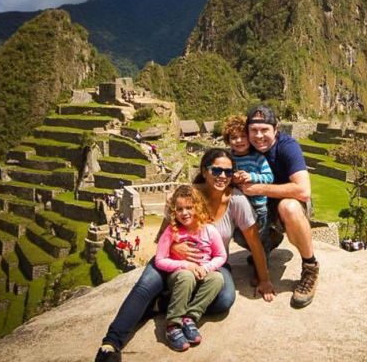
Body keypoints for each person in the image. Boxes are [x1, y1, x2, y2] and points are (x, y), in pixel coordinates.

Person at [94, 149, 274, 362]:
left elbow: (254, 242)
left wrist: (264, 280)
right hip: (173, 258)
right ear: (205, 171)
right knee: (144, 287)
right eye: (217, 170)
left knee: (224, 299)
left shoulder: (236, 200)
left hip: (213, 263)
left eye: (228, 171)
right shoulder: (188, 195)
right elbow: (164, 234)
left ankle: (163, 304)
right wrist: (176, 248)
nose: (223, 176)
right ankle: (111, 344)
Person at [237, 105, 318, 308]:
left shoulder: (287, 146)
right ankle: (265, 249)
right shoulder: (245, 148)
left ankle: (310, 267)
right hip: (261, 208)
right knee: (232, 207)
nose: (259, 136)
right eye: (254, 130)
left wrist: (259, 188)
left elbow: (303, 191)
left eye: (264, 130)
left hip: (288, 204)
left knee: (288, 207)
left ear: (276, 128)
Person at [154, 185, 226, 352]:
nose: (184, 213)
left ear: (197, 207)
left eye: (189, 208)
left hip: (202, 274)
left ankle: (190, 317)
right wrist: (185, 265)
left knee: (217, 279)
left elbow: (221, 256)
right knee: (186, 276)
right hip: (180, 276)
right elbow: (160, 260)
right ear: (174, 212)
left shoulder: (209, 230)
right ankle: (173, 324)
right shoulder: (172, 231)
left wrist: (207, 268)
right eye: (179, 209)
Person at [222, 114, 274, 285]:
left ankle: (261, 271)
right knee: (240, 236)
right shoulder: (229, 158)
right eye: (233, 137)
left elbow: (269, 177)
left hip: (258, 207)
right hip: (237, 208)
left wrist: (251, 176)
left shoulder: (258, 157)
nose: (238, 140)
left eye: (243, 136)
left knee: (259, 239)